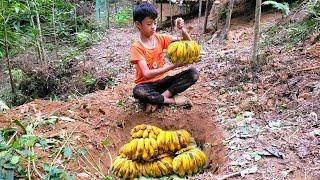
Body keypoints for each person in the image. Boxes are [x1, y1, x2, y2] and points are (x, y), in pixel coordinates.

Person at [130, 2, 199, 113]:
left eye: (155, 23)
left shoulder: (160, 38)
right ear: (138, 25)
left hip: (163, 82)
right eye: (149, 24)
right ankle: (171, 100)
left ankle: (158, 99)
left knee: (193, 73)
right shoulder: (136, 47)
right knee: (138, 91)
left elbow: (186, 43)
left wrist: (182, 30)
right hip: (146, 85)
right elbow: (146, 74)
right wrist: (172, 67)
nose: (153, 27)